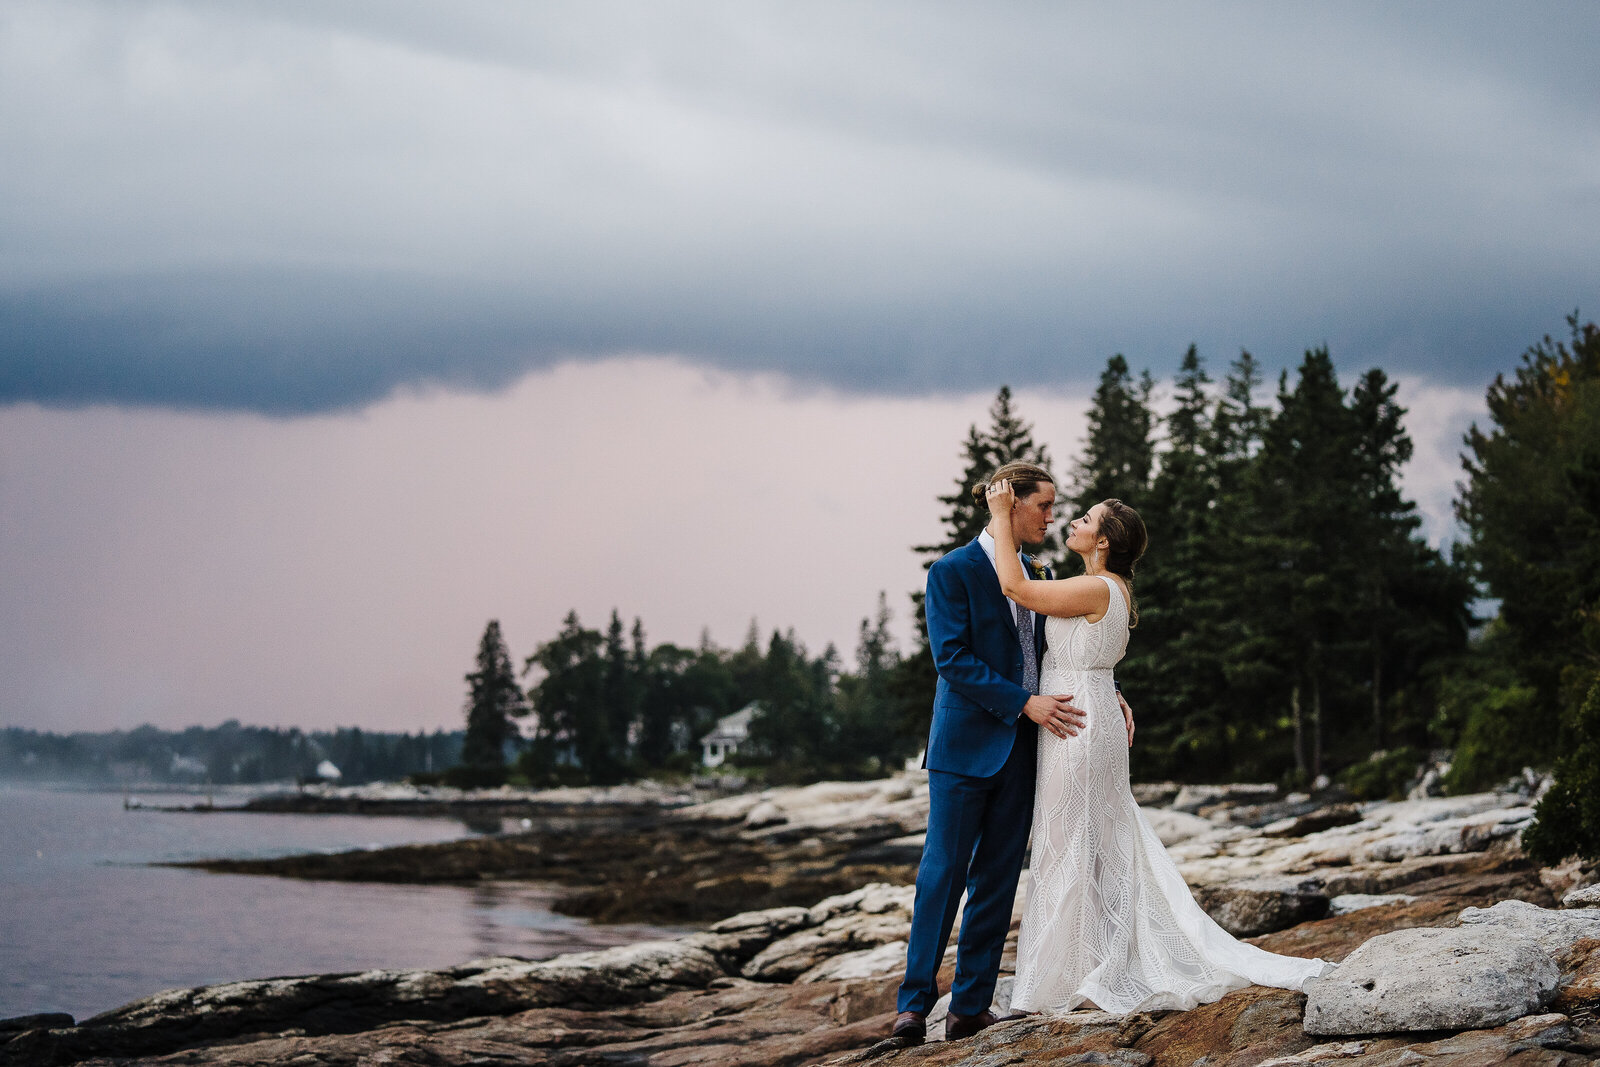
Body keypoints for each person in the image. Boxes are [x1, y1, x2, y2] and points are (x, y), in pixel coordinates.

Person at [985, 480, 1333, 1016]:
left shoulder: (1097, 589)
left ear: (1103, 543)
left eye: (1086, 520)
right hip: (1087, 715)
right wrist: (1116, 694)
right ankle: (1079, 964)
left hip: (1075, 725)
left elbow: (1014, 587)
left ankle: (1070, 975)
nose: (1073, 522)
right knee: (1085, 842)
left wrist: (1001, 513)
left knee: (1071, 840)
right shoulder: (1105, 586)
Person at [891, 462, 1135, 1045]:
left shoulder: (1037, 572)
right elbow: (952, 658)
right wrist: (1024, 703)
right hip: (964, 748)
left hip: (1028, 749)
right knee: (942, 875)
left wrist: (1112, 691)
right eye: (1043, 506)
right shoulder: (951, 570)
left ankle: (970, 1007)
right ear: (1013, 504)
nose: (1051, 518)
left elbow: (1063, 651)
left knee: (998, 879)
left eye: (1057, 509)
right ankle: (912, 1007)